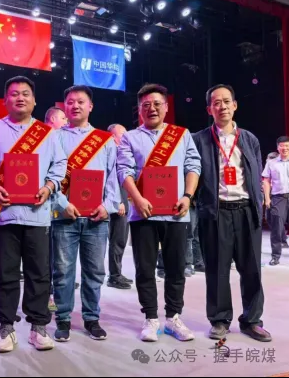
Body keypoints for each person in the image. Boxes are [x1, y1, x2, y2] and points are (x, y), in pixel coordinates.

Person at [0, 76, 67, 353]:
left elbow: (60, 164)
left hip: (38, 214)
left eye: (26, 94)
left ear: (34, 100)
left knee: (39, 273)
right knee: (5, 273)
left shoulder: (47, 133)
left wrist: (49, 187)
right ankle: (6, 325)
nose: (20, 98)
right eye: (14, 94)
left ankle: (38, 326)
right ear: (5, 100)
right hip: (4, 214)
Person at [117, 83, 201, 343]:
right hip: (143, 213)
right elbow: (124, 170)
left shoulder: (181, 134)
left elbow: (193, 165)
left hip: (176, 212)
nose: (151, 109)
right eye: (146, 105)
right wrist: (137, 199)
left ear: (166, 107)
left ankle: (174, 317)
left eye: (156, 104)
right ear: (139, 109)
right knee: (145, 268)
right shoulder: (130, 137)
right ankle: (151, 318)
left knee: (176, 267)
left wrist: (187, 196)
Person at [193, 84, 271, 342]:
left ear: (235, 105)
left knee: (252, 269)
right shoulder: (199, 140)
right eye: (216, 102)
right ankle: (219, 319)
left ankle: (252, 320)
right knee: (217, 269)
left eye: (227, 101)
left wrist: (259, 206)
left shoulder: (249, 139)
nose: (222, 106)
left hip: (246, 211)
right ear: (209, 109)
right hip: (216, 213)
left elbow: (256, 174)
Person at [50, 87, 120, 343]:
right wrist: (61, 203)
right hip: (64, 216)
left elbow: (113, 177)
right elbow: (48, 175)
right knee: (62, 271)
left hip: (96, 217)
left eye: (81, 101)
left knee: (95, 271)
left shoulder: (104, 140)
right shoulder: (53, 137)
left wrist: (108, 205)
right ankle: (63, 318)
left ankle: (92, 317)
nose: (75, 106)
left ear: (91, 106)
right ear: (64, 107)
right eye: (70, 102)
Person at [44, 106, 68, 313]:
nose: (66, 121)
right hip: (44, 206)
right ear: (52, 119)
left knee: (57, 256)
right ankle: (48, 293)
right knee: (46, 255)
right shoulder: (42, 138)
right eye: (63, 118)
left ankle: (55, 291)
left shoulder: (64, 139)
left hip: (63, 208)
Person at [106, 124, 133, 290]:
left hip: (126, 201)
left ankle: (117, 273)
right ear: (112, 137)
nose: (126, 136)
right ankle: (114, 276)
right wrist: (119, 201)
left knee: (121, 240)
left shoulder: (122, 152)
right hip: (118, 203)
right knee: (117, 240)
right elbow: (113, 180)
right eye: (122, 134)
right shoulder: (112, 153)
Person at [263, 136, 289, 266]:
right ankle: (275, 256)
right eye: (281, 146)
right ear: (277, 147)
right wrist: (267, 198)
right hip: (278, 198)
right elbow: (266, 181)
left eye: (287, 145)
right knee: (276, 228)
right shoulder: (271, 163)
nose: (284, 148)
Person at [264, 151, 288, 250]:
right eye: (268, 159)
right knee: (269, 218)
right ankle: (282, 237)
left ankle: (283, 240)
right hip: (269, 197)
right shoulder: (266, 170)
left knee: (278, 220)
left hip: (278, 197)